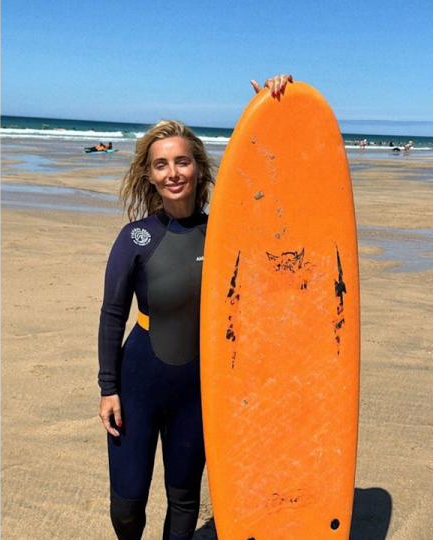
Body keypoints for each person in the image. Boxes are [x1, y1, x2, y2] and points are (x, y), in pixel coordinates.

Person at [98, 74, 293, 540]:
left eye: (182, 161)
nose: (173, 173)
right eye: (161, 164)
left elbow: (275, 198)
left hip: (201, 387)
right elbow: (111, 316)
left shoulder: (226, 234)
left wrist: (274, 110)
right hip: (139, 380)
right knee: (127, 505)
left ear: (198, 168)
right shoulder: (136, 238)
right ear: (149, 174)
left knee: (184, 498)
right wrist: (109, 388)